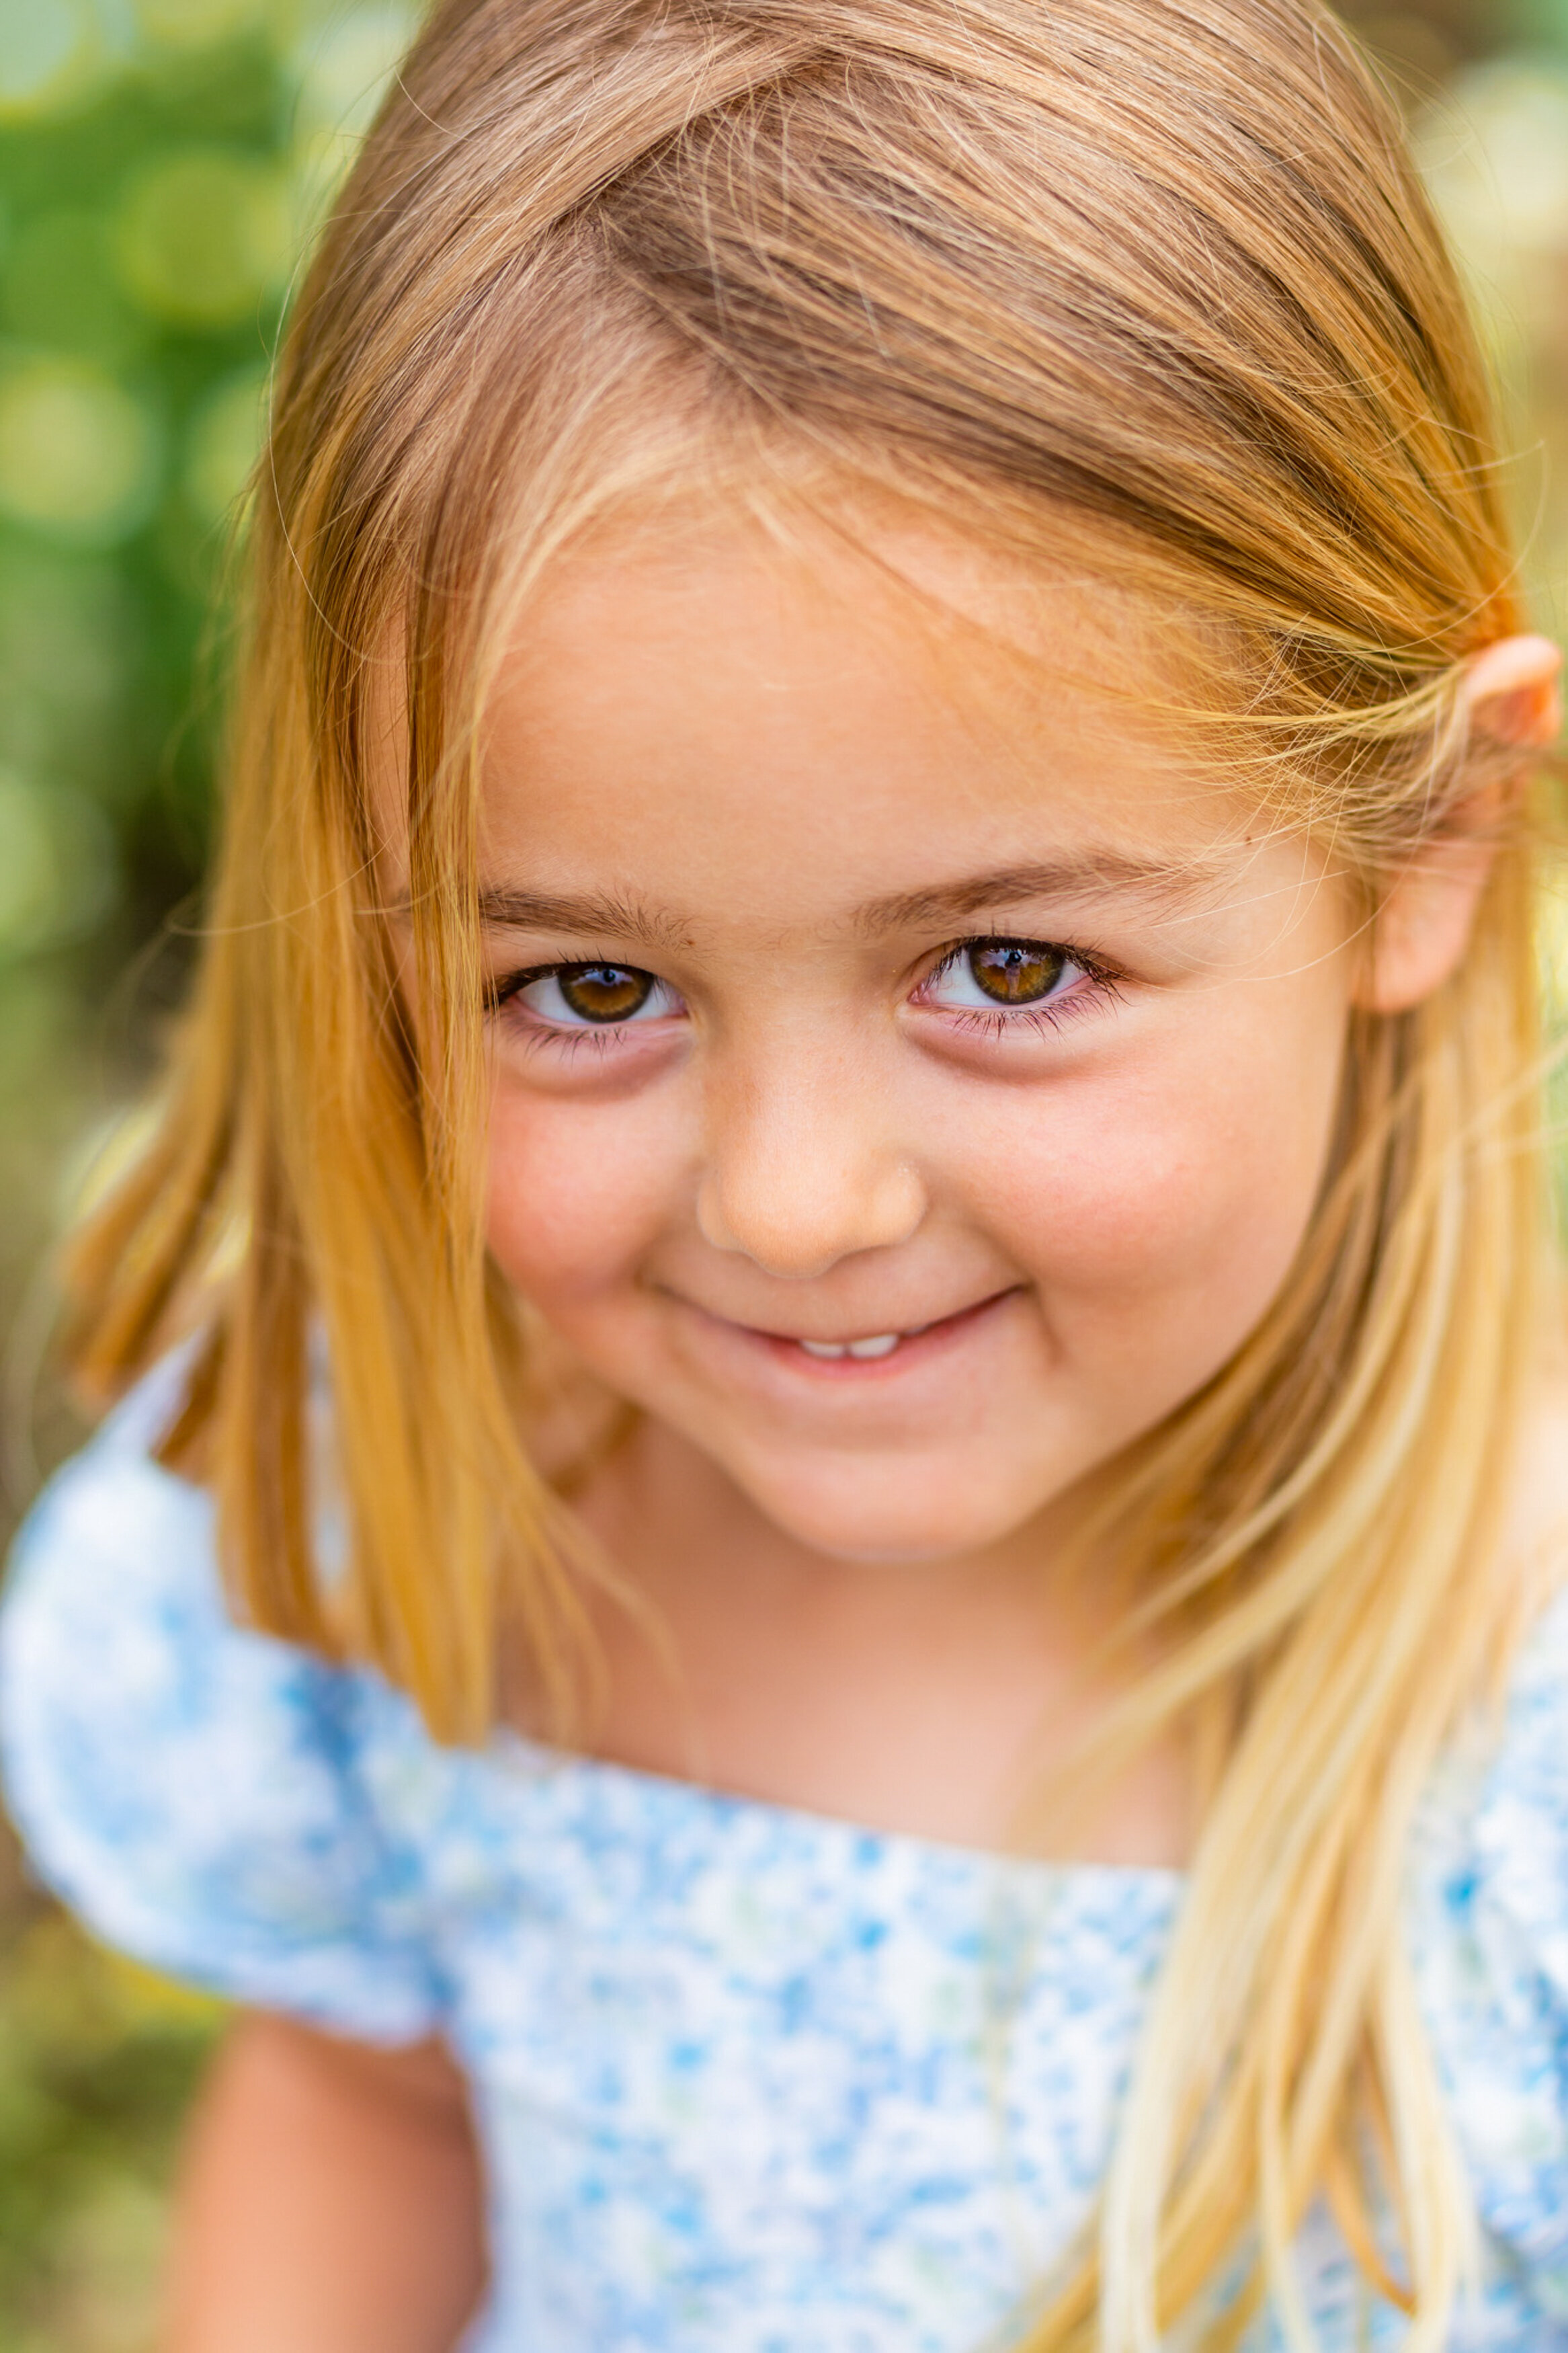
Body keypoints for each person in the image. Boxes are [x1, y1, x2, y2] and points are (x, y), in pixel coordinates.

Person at [2, 0, 1565, 2344]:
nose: (793, 1201)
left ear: (1426, 842)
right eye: (592, 991)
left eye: (1010, 964)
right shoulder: (393, 1538)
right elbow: (371, 2122)